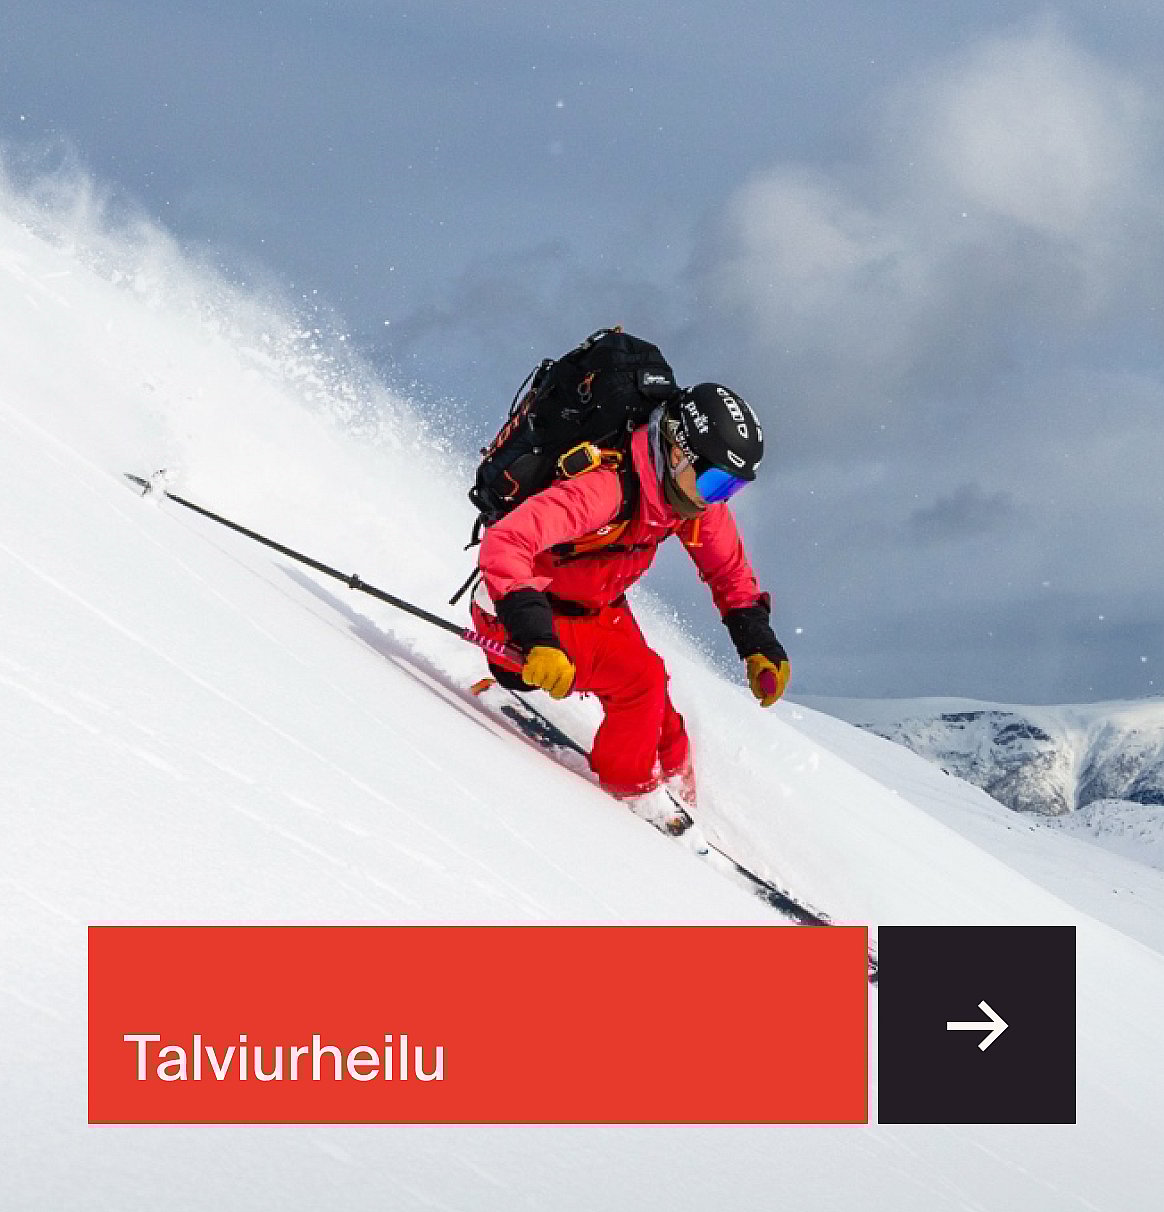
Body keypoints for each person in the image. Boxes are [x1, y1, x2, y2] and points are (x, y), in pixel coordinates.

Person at [470, 381, 789, 834]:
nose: (715, 498)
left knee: (665, 725)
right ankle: (634, 801)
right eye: (714, 482)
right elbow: (506, 542)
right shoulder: (605, 488)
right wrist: (536, 637)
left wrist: (759, 644)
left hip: (597, 607)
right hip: (521, 613)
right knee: (642, 680)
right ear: (678, 451)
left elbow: (729, 573)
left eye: (729, 489)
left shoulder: (689, 500)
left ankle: (682, 799)